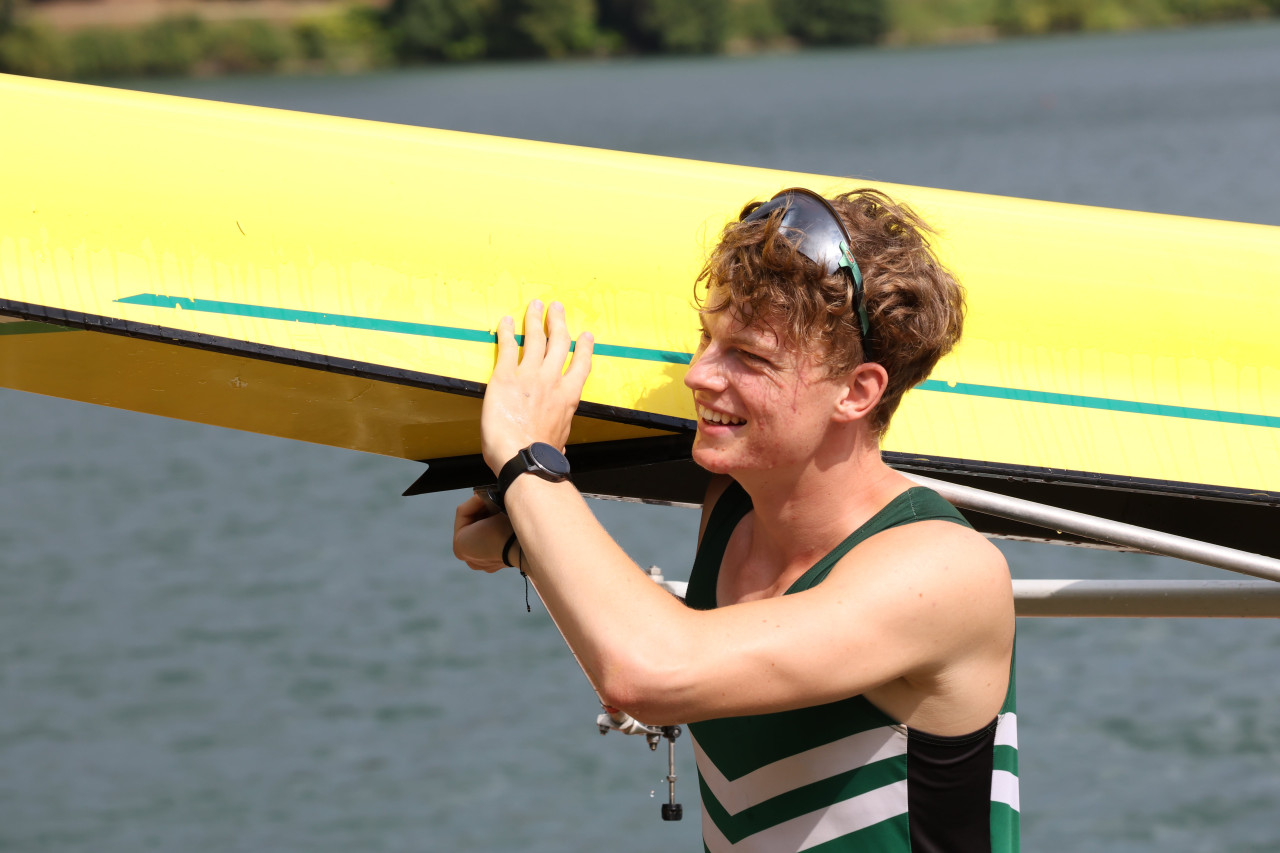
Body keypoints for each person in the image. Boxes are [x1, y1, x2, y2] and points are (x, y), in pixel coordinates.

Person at [452, 188, 1018, 852]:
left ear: (857, 390)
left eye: (749, 357)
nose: (697, 374)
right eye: (706, 337)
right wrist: (523, 542)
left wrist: (526, 455)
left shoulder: (943, 571)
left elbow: (651, 672)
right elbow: (683, 667)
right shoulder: (734, 502)